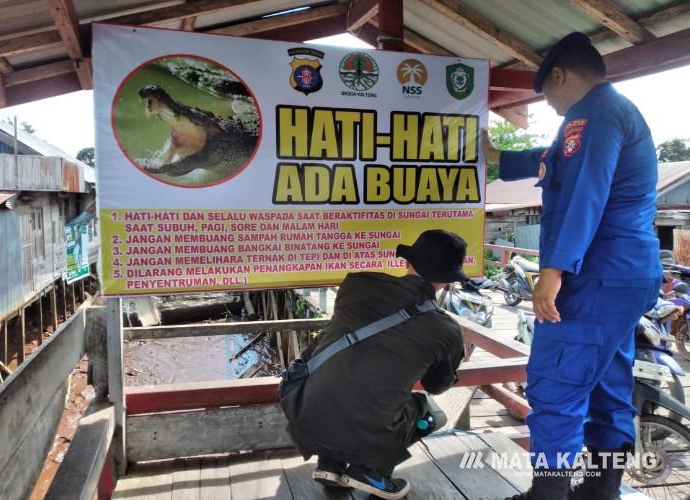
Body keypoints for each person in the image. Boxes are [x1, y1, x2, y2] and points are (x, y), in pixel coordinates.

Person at [482, 32, 662, 500]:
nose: (551, 106)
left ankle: (548, 495)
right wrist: (499, 159)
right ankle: (602, 488)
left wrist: (553, 271)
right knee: (606, 380)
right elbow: (554, 162)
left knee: (556, 383)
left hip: (596, 275)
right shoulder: (609, 112)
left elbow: (587, 192)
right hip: (624, 275)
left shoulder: (593, 116)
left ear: (558, 76)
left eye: (547, 94)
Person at [282, 229, 465, 499]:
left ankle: (330, 465)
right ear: (447, 280)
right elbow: (436, 386)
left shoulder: (355, 284)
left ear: (407, 262)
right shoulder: (446, 329)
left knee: (347, 390)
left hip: (303, 408)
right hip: (364, 428)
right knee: (430, 413)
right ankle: (373, 473)